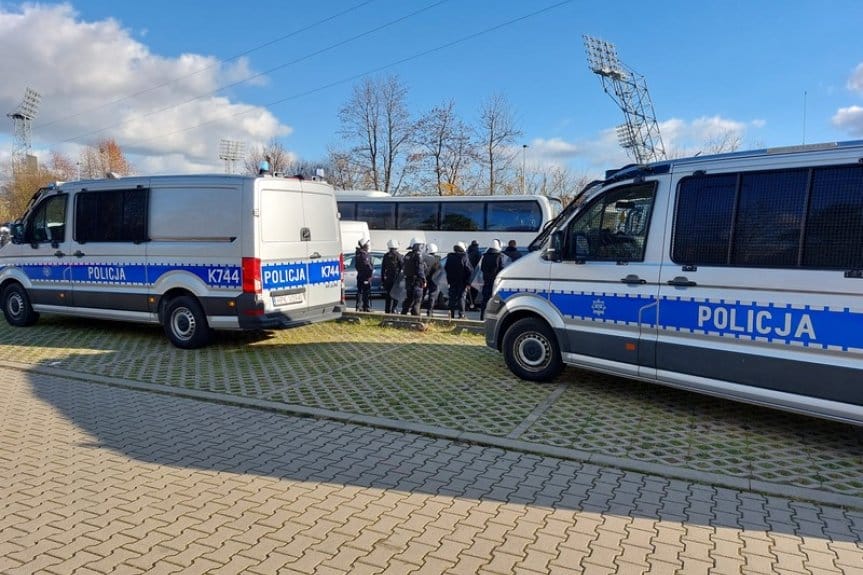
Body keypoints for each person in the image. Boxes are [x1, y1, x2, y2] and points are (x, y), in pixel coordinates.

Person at [444, 241, 473, 319]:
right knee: (461, 298)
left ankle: (451, 314)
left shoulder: (450, 257)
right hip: (462, 282)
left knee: (452, 298)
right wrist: (468, 282)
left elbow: (446, 268)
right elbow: (469, 270)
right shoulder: (464, 257)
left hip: (452, 281)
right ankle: (461, 315)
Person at [479, 239, 506, 321]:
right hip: (495, 281)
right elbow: (501, 268)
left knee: (485, 299)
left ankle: (482, 316)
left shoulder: (485, 256)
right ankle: (492, 318)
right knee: (495, 300)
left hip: (486, 280)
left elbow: (482, 268)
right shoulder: (499, 256)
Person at [400, 238, 427, 316]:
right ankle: (416, 317)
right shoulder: (418, 256)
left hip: (408, 280)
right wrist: (424, 280)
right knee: (417, 300)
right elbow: (420, 270)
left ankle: (403, 314)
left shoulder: (407, 255)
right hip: (417, 282)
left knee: (409, 299)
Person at [381, 239, 403, 314]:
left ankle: (387, 310)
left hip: (388, 279)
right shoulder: (399, 256)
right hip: (396, 279)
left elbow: (383, 269)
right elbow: (403, 268)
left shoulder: (386, 256)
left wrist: (383, 280)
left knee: (388, 295)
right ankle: (394, 309)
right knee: (396, 295)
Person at [353, 236, 373, 312]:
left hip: (360, 275)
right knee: (365, 292)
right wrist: (370, 275)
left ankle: (358, 307)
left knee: (360, 291)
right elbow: (367, 266)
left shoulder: (358, 254)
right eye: (367, 245)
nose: (368, 246)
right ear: (364, 246)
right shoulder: (363, 255)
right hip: (365, 276)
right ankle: (366, 307)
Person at [423, 243, 442, 317]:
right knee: (432, 296)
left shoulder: (425, 258)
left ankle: (416, 310)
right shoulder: (438, 258)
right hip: (434, 280)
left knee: (422, 295)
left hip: (426, 279)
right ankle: (430, 312)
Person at [466, 240, 482, 310]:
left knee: (468, 292)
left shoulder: (468, 252)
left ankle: (468, 304)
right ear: (477, 245)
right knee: (474, 291)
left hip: (467, 274)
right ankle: (472, 305)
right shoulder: (478, 253)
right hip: (475, 275)